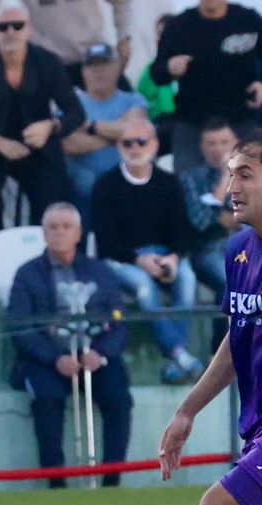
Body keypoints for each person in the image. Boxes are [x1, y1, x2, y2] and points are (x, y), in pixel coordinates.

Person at [128, 132, 262, 505]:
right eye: (230, 173)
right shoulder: (240, 253)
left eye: (245, 174)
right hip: (256, 428)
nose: (230, 187)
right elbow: (238, 335)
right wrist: (187, 411)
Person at [7, 202, 132, 488]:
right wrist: (55, 358)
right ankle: (56, 482)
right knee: (47, 400)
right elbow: (20, 327)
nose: (59, 233)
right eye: (53, 227)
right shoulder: (27, 274)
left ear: (79, 233)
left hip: (95, 357)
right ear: (44, 233)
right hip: (48, 360)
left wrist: (100, 353)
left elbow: (121, 323)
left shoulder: (100, 272)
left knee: (119, 397)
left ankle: (112, 480)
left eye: (66, 227)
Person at [0, 1, 83, 267]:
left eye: (17, 25)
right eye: (3, 26)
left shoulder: (48, 62)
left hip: (38, 149)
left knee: (52, 195)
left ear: (29, 29)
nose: (10, 31)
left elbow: (75, 112)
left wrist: (50, 126)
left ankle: (45, 266)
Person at [91, 116, 204, 384]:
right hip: (122, 259)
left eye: (141, 141)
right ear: (119, 147)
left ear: (154, 146)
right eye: (127, 142)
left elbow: (183, 231)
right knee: (143, 285)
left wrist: (174, 258)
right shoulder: (105, 186)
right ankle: (179, 353)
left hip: (164, 253)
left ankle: (177, 359)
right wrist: (139, 260)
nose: (135, 148)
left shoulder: (169, 183)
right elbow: (106, 242)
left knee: (187, 278)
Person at [148, 0, 262, 173]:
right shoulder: (179, 25)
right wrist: (170, 66)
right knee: (188, 183)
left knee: (253, 181)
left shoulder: (248, 19)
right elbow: (157, 73)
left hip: (241, 119)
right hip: (193, 122)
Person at [61, 43, 147, 215]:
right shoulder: (71, 103)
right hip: (83, 193)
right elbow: (68, 145)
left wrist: (90, 126)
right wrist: (117, 134)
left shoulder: (134, 100)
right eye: (93, 66)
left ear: (117, 68)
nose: (99, 71)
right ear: (83, 72)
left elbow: (136, 132)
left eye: (104, 65)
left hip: (126, 189)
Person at [0, 0, 132, 85]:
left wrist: (124, 37)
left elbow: (122, 2)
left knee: (131, 115)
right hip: (47, 64)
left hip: (94, 58)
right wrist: (4, 51)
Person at [184, 118, 242, 295]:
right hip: (210, 249)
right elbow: (200, 220)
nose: (218, 149)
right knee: (232, 282)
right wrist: (226, 176)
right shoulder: (191, 179)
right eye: (211, 144)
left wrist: (220, 215)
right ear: (202, 147)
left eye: (224, 142)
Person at [138, 14, 179, 149]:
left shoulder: (197, 67)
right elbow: (141, 105)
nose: (162, 39)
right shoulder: (150, 72)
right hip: (160, 128)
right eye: (159, 34)